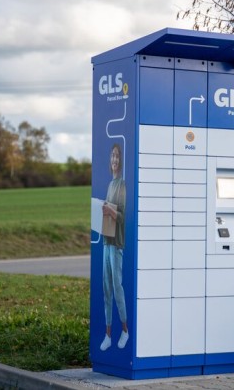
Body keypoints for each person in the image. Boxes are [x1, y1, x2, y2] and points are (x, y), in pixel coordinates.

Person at [100, 143, 128, 351]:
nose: (115, 160)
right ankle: (108, 333)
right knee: (106, 288)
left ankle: (125, 330)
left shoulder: (123, 185)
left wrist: (111, 213)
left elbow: (122, 216)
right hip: (106, 242)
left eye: (117, 156)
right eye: (112, 156)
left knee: (117, 288)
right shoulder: (110, 184)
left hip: (116, 243)